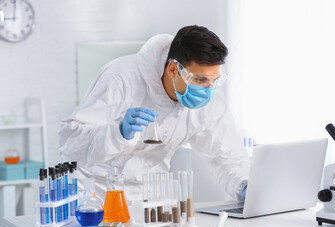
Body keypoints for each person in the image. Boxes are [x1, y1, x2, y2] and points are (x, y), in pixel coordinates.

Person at [59, 25, 250, 202]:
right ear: (173, 69)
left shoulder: (210, 99)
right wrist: (117, 133)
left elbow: (225, 155)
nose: (208, 90)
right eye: (200, 79)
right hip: (98, 197)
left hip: (151, 201)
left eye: (214, 80)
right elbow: (71, 145)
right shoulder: (122, 77)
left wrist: (245, 187)